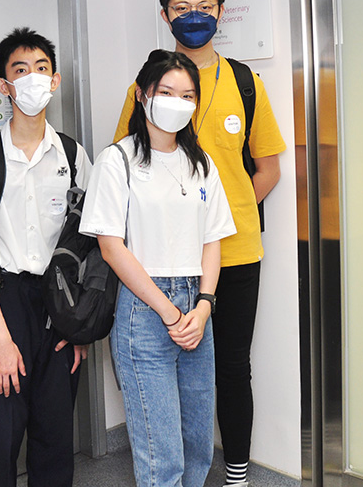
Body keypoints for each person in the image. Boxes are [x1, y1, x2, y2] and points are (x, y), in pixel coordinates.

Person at [113, 0, 286, 486]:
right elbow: (127, 164)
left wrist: (215, 220)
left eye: (205, 8)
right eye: (183, 8)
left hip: (233, 256)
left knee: (231, 366)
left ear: (221, 13)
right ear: (165, 16)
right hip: (162, 264)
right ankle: (172, 469)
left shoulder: (244, 82)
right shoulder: (145, 88)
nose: (194, 17)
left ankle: (235, 470)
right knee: (166, 371)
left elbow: (269, 168)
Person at [86, 49, 237, 487]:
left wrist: (204, 305)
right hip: (145, 310)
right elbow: (112, 247)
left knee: (198, 447)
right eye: (166, 92)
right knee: (161, 455)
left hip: (197, 307)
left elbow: (213, 240)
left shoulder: (201, 162)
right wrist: (169, 312)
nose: (177, 102)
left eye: (188, 95)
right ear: (142, 95)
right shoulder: (118, 161)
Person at [0, 27, 91, 487]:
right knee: (0, 437)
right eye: (20, 71)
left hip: (59, 302)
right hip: (3, 300)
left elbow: (87, 242)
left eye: (42, 69)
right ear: (4, 86)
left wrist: (80, 325)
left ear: (55, 81)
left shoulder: (73, 154)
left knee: (54, 433)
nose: (33, 78)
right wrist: (0, 340)